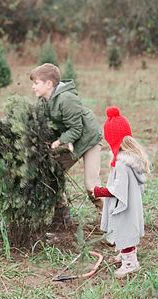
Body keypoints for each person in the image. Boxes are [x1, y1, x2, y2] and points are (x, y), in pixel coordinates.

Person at [30, 62, 103, 209]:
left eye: (36, 83)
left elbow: (76, 128)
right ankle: (61, 214)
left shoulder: (66, 99)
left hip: (88, 139)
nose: (33, 86)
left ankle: (108, 216)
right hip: (70, 139)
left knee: (91, 185)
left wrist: (59, 141)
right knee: (53, 174)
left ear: (49, 84)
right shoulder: (42, 101)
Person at [93, 106, 151, 278]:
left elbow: (117, 190)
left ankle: (130, 263)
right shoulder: (128, 158)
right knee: (125, 231)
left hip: (125, 207)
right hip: (131, 205)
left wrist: (99, 191)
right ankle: (125, 255)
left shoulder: (122, 164)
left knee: (125, 231)